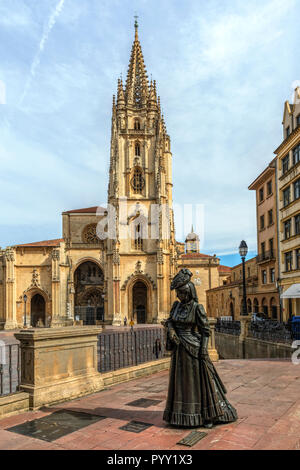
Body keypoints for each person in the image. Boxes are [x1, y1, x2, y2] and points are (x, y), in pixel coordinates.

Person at [163, 268, 238, 428]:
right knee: (182, 384)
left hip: (193, 350)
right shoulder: (176, 307)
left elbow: (205, 331)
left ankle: (206, 415)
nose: (178, 295)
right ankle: (182, 414)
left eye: (180, 292)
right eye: (177, 292)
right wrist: (171, 331)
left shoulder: (197, 308)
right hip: (179, 351)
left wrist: (204, 349)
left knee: (198, 383)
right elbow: (169, 321)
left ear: (188, 292)